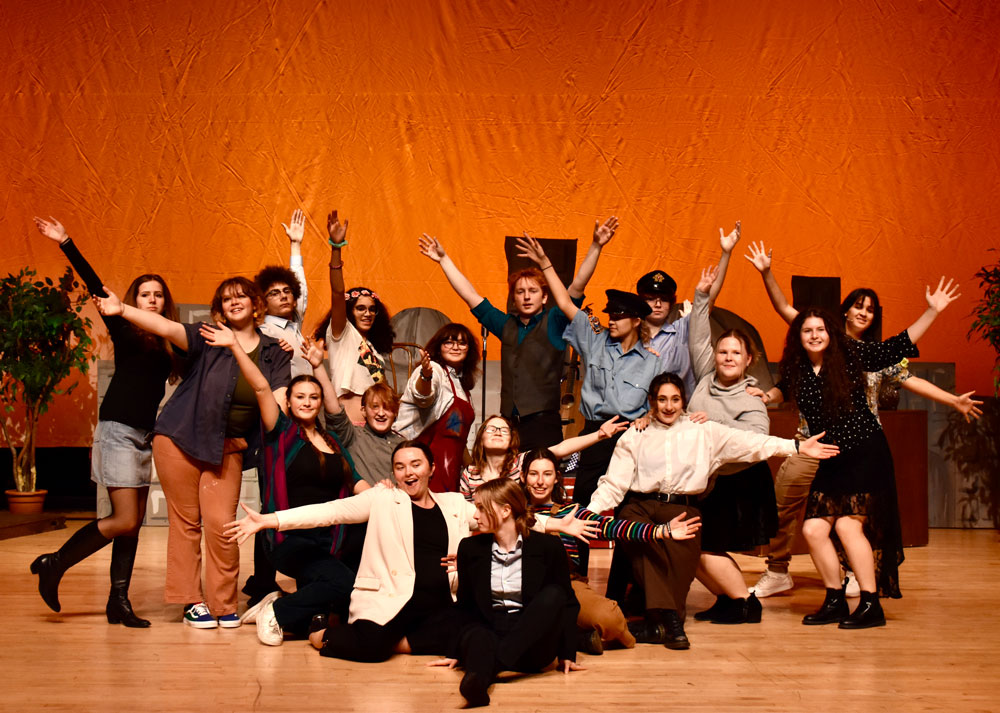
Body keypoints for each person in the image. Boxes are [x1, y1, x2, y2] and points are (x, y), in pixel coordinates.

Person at [744, 241, 981, 599]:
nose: (864, 313)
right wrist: (766, 273)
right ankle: (783, 573)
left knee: (846, 523)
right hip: (811, 444)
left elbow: (902, 360)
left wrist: (952, 395)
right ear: (842, 312)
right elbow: (784, 335)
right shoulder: (807, 348)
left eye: (870, 309)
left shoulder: (858, 353)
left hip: (857, 448)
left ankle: (860, 583)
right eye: (858, 306)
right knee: (799, 516)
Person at [223, 441, 595, 665]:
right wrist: (270, 520)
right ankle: (318, 629)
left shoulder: (453, 503)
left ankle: (397, 643)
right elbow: (330, 512)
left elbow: (502, 516)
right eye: (400, 467)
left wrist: (556, 525)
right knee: (370, 649)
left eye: (416, 464)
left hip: (439, 604)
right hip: (390, 600)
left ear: (431, 468)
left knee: (469, 634)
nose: (408, 472)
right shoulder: (383, 498)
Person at [588, 373, 839, 649]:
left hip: (681, 509)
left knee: (671, 553)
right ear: (652, 402)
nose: (669, 406)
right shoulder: (635, 435)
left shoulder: (704, 431)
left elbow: (752, 443)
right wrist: (587, 514)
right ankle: (671, 621)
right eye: (662, 400)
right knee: (636, 531)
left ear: (684, 401)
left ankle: (658, 624)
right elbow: (613, 484)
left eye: (675, 399)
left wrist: (796, 447)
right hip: (641, 507)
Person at [94, 276, 291, 629]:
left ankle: (223, 603)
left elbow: (273, 415)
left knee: (222, 526)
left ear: (256, 304)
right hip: (179, 439)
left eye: (241, 296)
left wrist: (236, 347)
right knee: (186, 525)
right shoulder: (206, 336)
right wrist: (122, 309)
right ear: (220, 308)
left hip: (228, 447)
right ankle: (192, 602)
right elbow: (165, 327)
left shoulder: (275, 352)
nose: (234, 302)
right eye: (227, 299)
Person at [29, 217, 182, 627]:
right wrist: (66, 242)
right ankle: (55, 563)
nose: (152, 300)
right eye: (145, 294)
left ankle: (119, 602)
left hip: (145, 436)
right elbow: (96, 286)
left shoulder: (169, 339)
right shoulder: (124, 326)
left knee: (131, 526)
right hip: (118, 430)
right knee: (125, 519)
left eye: (158, 295)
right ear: (135, 299)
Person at [203, 326, 367, 645]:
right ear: (289, 402)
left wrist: (388, 498)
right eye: (300, 397)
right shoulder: (281, 434)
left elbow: (357, 483)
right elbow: (262, 387)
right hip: (290, 539)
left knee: (342, 592)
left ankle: (291, 604)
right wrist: (235, 346)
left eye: (313, 397)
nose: (307, 402)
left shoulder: (333, 442)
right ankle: (277, 611)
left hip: (330, 539)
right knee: (343, 582)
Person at [418, 216, 617, 451]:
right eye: (520, 292)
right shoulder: (506, 325)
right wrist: (444, 260)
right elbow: (470, 295)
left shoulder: (555, 320)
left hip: (543, 423)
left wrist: (596, 246)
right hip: (509, 424)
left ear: (545, 297)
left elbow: (577, 286)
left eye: (533, 291)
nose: (526, 296)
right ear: (513, 298)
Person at [516, 232, 661, 517]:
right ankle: (577, 547)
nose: (611, 321)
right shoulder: (595, 338)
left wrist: (649, 416)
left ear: (636, 321)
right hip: (595, 432)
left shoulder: (653, 362)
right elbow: (566, 303)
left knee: (630, 507)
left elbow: (662, 402)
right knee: (584, 503)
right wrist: (545, 263)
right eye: (610, 315)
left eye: (618, 317)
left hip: (632, 436)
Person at [522, 448, 701, 653]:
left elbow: (612, 527)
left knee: (610, 619)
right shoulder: (512, 510)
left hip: (566, 585)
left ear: (556, 478)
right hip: (522, 586)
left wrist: (660, 531)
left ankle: (572, 636)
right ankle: (572, 636)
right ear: (523, 477)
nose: (540, 481)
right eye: (533, 474)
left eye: (547, 474)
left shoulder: (571, 512)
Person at [435, 478, 583, 708]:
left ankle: (491, 668)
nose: (475, 515)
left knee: (554, 594)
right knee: (477, 636)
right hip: (489, 631)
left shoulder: (548, 547)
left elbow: (569, 603)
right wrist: (453, 651)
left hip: (531, 640)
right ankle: (477, 687)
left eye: (481, 508)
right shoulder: (469, 549)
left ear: (506, 511)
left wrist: (567, 653)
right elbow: (464, 606)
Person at [686, 265, 777, 624]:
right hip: (707, 481)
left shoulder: (752, 398)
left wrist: (712, 425)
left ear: (748, 360)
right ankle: (727, 599)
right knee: (694, 547)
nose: (727, 357)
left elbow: (754, 442)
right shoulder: (705, 378)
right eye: (723, 351)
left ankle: (745, 602)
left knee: (704, 546)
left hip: (739, 483)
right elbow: (697, 335)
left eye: (735, 353)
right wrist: (701, 296)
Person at [636, 222, 743, 397]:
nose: (657, 304)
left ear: (672, 302)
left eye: (664, 299)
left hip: (681, 409)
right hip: (641, 410)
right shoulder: (630, 335)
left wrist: (726, 253)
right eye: (650, 299)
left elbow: (709, 298)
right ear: (640, 301)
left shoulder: (683, 329)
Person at [318, 210, 394, 423]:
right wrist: (336, 247)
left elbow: (384, 394)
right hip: (348, 424)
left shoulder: (374, 351)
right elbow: (337, 292)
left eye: (372, 309)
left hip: (374, 425)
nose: (367, 313)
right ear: (349, 310)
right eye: (360, 308)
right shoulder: (342, 333)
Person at [458, 413, 627, 502]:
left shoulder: (521, 462)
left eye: (504, 430)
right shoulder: (470, 473)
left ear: (512, 439)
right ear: (480, 438)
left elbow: (560, 449)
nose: (497, 432)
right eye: (491, 429)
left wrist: (599, 435)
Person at [395, 323, 481, 492]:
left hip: (451, 467)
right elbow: (423, 397)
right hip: (426, 462)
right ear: (439, 347)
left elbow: (457, 438)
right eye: (448, 342)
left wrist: (472, 470)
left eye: (462, 343)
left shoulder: (463, 387)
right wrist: (426, 376)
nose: (455, 347)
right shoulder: (434, 370)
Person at [255, 208, 311, 378]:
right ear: (263, 304)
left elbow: (300, 286)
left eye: (287, 291)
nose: (283, 296)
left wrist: (295, 245)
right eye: (274, 293)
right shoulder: (263, 332)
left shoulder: (294, 324)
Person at [327, 380, 404, 487]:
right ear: (364, 411)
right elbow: (334, 413)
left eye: (387, 407)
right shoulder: (353, 435)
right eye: (375, 406)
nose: (381, 413)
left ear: (395, 412)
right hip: (365, 496)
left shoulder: (403, 443)